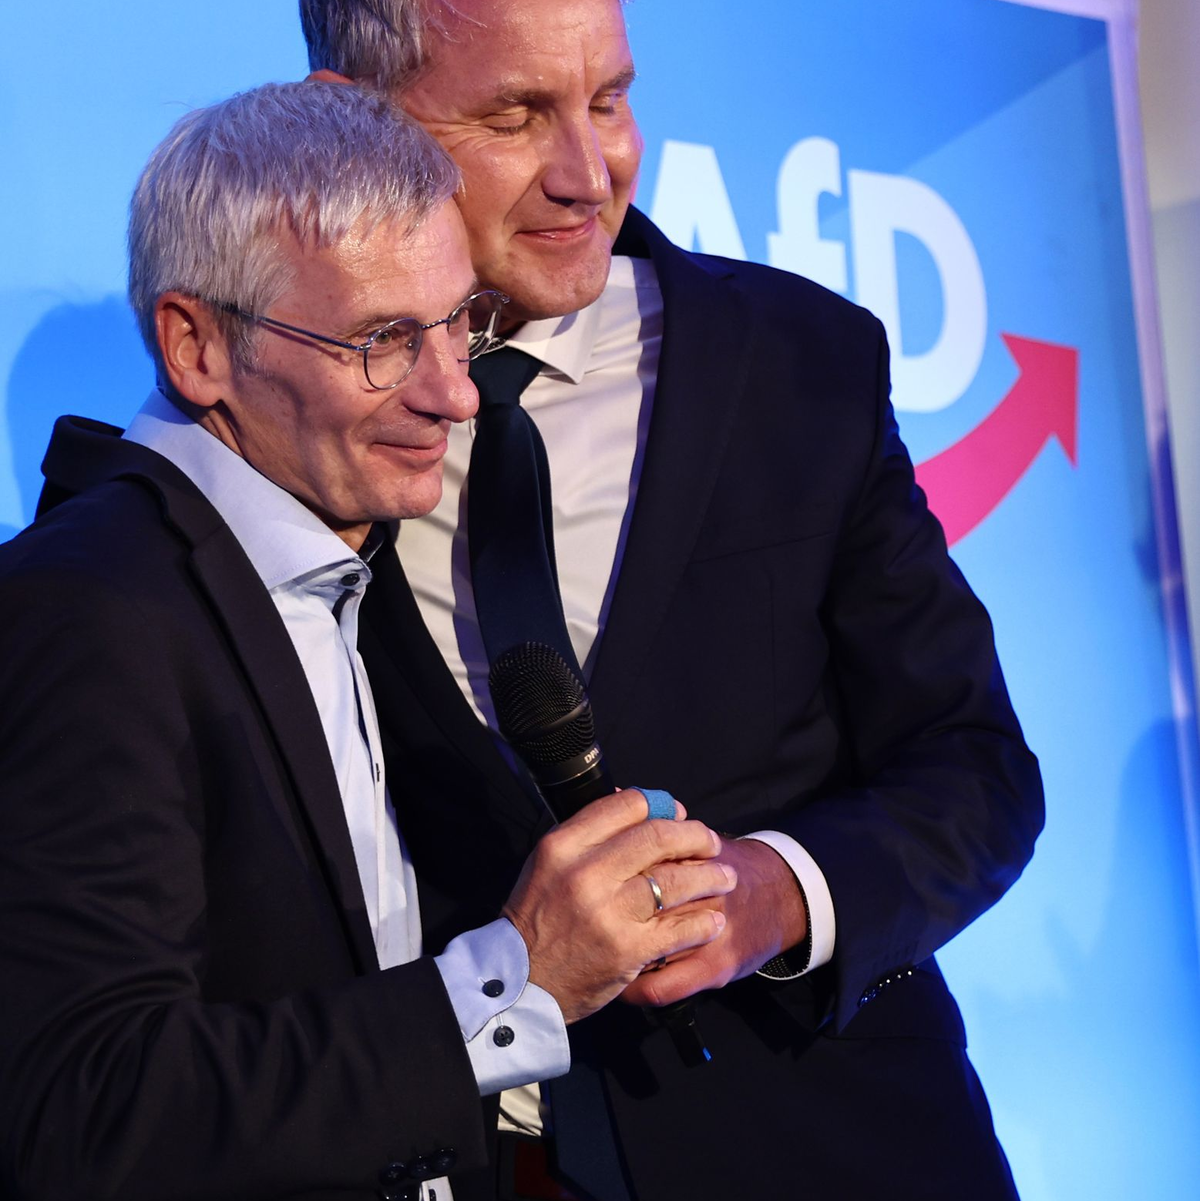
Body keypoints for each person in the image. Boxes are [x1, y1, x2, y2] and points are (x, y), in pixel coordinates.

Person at [298, 2, 1047, 1199]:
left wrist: (777, 892)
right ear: (349, 115)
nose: (588, 172)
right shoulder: (279, 406)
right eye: (514, 114)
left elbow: (977, 770)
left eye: (609, 100)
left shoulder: (802, 360)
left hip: (838, 1142)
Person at [0, 80, 739, 1201]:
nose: (456, 392)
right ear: (196, 346)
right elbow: (90, 1108)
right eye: (386, 340)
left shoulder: (322, 564)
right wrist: (515, 976)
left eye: (461, 322)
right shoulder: (90, 609)